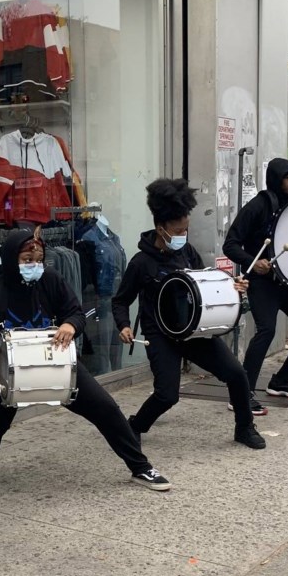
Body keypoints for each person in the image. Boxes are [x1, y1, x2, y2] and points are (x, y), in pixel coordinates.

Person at [0, 229, 172, 492]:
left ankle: (140, 467)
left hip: (59, 362)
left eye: (38, 259)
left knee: (105, 408)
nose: (34, 265)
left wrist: (71, 325)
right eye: (27, 259)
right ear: (12, 259)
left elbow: (77, 312)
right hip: (9, 369)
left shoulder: (52, 280)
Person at [111, 178, 265, 449]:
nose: (184, 234)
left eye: (187, 228)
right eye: (179, 230)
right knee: (167, 395)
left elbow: (206, 285)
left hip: (194, 329)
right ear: (161, 228)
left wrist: (232, 288)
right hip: (160, 334)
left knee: (237, 374)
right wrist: (123, 325)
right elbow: (121, 300)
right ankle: (134, 425)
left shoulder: (188, 252)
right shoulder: (141, 263)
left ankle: (244, 428)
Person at [222, 158, 288, 406]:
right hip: (263, 282)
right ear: (275, 179)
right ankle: (241, 394)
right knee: (266, 331)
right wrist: (253, 262)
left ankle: (281, 381)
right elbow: (231, 244)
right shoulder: (257, 206)